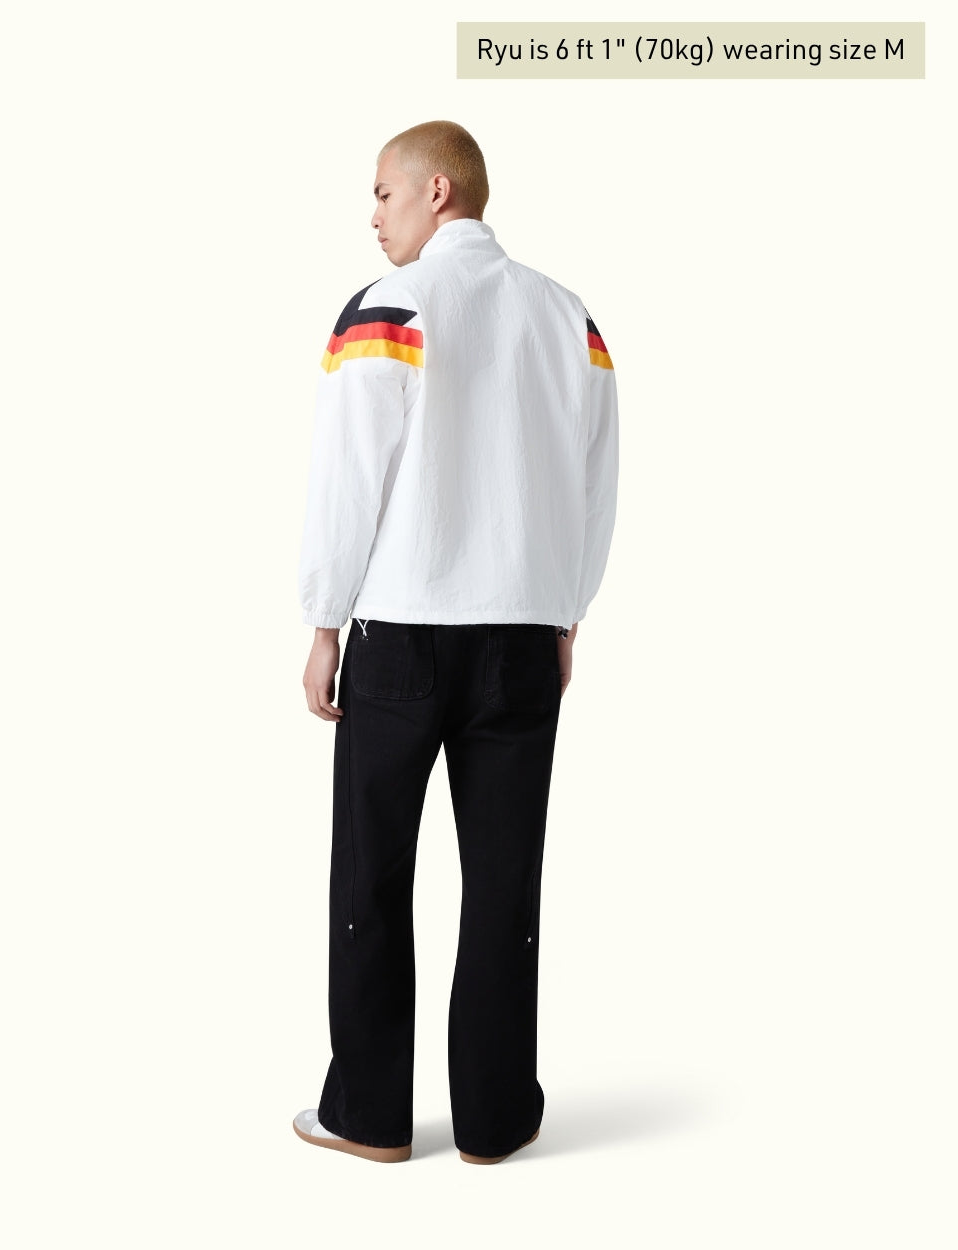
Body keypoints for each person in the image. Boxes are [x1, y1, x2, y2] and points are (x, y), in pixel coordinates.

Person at [294, 121, 618, 1165]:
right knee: (504, 884)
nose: (372, 215)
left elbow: (349, 478)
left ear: (438, 191)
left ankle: (368, 1116)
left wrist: (323, 622)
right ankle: (493, 1119)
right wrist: (566, 610)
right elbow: (594, 478)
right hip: (521, 642)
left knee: (371, 876)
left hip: (401, 638)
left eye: (383, 193)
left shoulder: (388, 307)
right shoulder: (568, 316)